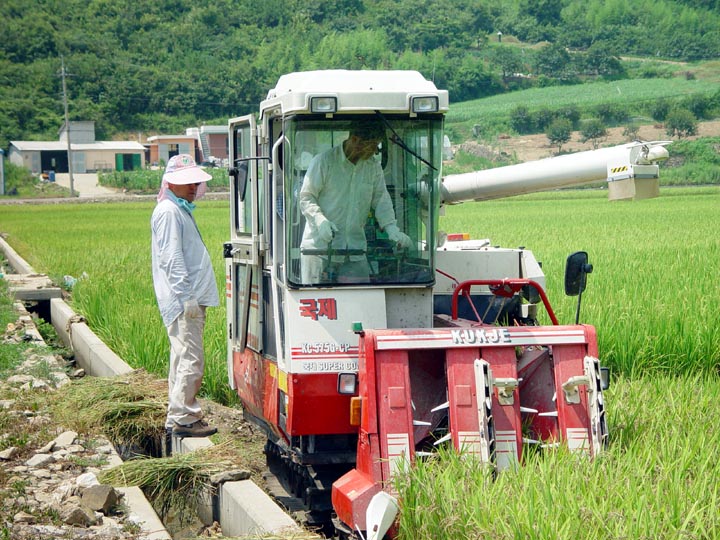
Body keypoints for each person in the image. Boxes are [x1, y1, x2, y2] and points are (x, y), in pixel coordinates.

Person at [151, 154, 219, 438]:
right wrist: (187, 297)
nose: (193, 186)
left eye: (195, 181)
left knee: (181, 358)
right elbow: (172, 258)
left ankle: (176, 415)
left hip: (187, 299)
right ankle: (184, 418)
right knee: (192, 358)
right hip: (184, 301)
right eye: (186, 181)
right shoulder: (168, 212)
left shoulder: (178, 210)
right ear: (171, 183)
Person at [299, 121, 412, 283]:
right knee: (320, 303)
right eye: (371, 145)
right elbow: (306, 197)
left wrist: (391, 227)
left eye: (377, 146)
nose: (374, 151)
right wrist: (320, 220)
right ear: (355, 140)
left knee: (360, 302)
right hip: (319, 249)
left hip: (355, 249)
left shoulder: (373, 167)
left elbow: (381, 199)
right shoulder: (324, 161)